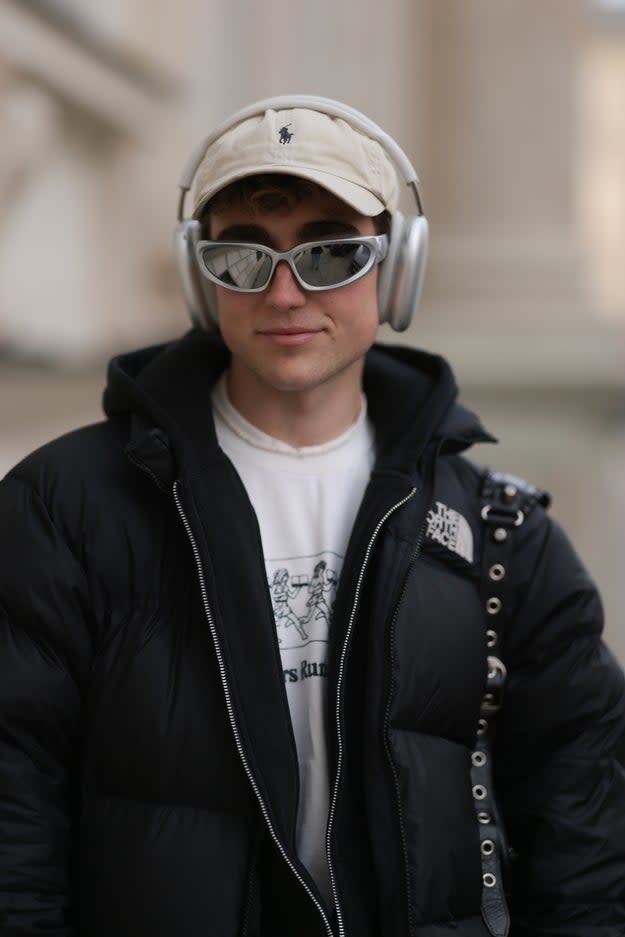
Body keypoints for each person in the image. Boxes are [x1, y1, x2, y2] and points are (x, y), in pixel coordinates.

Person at [0, 95, 623, 937]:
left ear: (397, 268)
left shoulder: (502, 533)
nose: (285, 291)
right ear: (199, 278)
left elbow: (582, 831)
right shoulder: (63, 505)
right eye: (243, 257)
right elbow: (13, 807)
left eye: (330, 252)